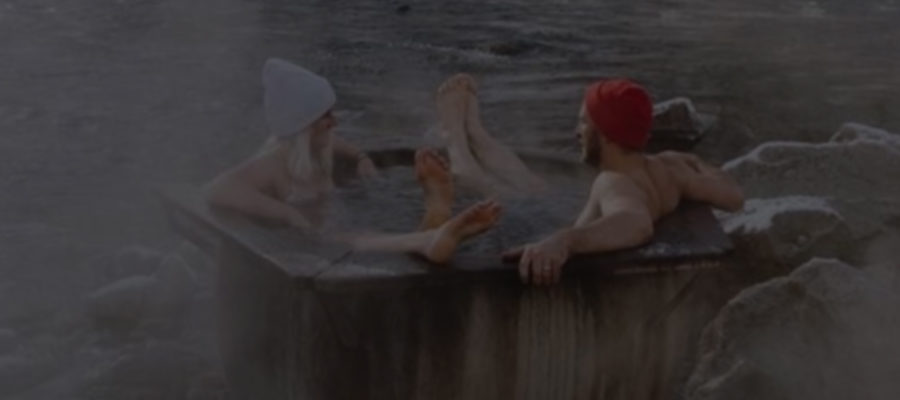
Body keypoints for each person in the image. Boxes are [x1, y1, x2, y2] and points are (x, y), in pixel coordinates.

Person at [502, 78, 745, 285]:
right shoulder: (670, 167)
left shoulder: (614, 181)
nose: (577, 131)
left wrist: (564, 241)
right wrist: (698, 162)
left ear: (607, 133)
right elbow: (734, 197)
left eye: (584, 122)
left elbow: (636, 223)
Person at [204, 58, 378, 229]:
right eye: (326, 116)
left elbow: (334, 141)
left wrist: (361, 157)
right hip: (296, 239)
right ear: (305, 127)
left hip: (318, 231)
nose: (335, 122)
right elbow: (218, 189)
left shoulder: (315, 146)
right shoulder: (274, 161)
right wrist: (286, 213)